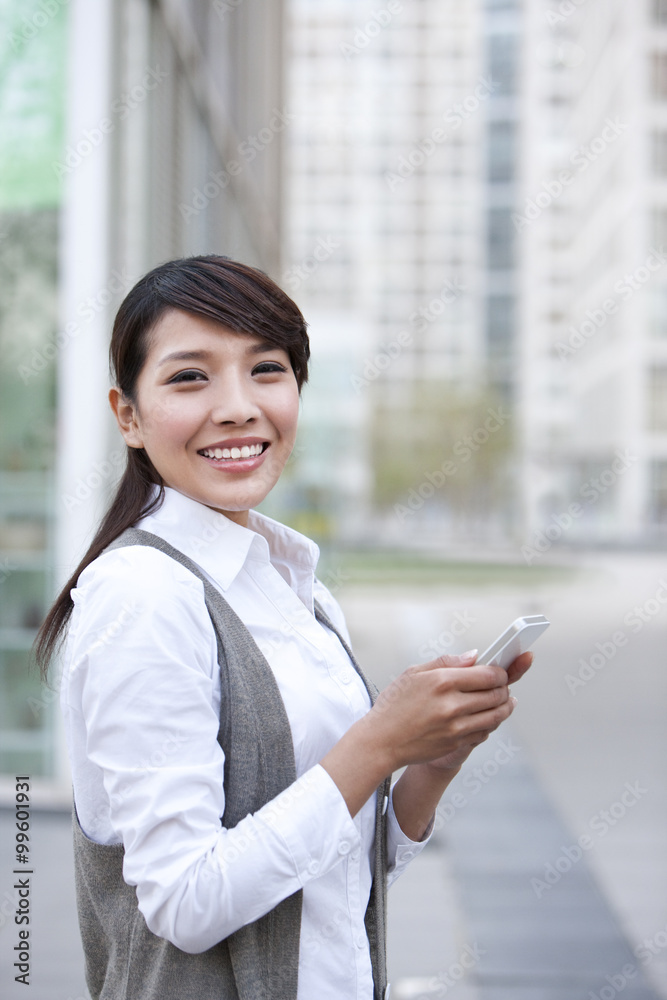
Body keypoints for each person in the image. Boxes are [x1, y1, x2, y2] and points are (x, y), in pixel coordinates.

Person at [35, 255, 532, 1000]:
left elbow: (344, 861)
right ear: (128, 417)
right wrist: (378, 741)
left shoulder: (296, 588)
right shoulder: (143, 595)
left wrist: (431, 755)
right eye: (189, 377)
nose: (237, 407)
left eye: (265, 369)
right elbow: (186, 903)